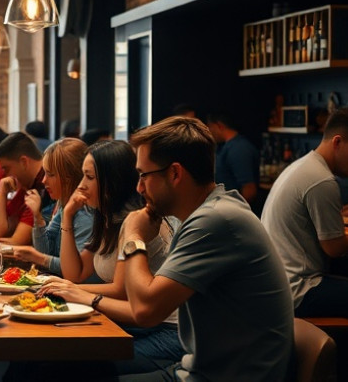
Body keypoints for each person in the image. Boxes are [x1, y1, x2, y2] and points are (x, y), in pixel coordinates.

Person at [121, 116, 292, 381]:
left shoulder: (216, 220)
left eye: (144, 175)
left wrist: (133, 236)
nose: (139, 187)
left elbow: (145, 310)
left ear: (175, 173)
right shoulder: (209, 213)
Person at [39, 140, 184, 375]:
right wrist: (67, 216)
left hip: (166, 330)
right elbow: (76, 272)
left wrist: (72, 290)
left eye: (89, 177)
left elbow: (120, 288)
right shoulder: (106, 216)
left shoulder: (134, 219)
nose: (81, 185)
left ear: (112, 181)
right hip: (135, 323)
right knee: (47, 353)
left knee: (64, 363)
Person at [262, 107, 348, 318]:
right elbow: (334, 247)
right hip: (298, 289)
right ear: (338, 142)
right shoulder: (322, 180)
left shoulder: (302, 166)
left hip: (275, 282)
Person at [12, 138, 93, 275]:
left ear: (69, 178)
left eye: (50, 174)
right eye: (44, 173)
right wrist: (37, 217)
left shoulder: (86, 215)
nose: (44, 180)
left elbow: (75, 271)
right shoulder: (63, 204)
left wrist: (38, 258)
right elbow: (46, 250)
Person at [0, 132, 47, 245]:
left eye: (6, 169)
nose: (5, 176)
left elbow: (17, 241)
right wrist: (2, 193)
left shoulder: (42, 187)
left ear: (24, 162)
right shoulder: (27, 184)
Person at [207, 111, 259, 206]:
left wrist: (235, 211)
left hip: (232, 210)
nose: (209, 131)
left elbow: (249, 190)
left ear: (219, 126)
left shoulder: (238, 149)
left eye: (210, 127)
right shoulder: (224, 147)